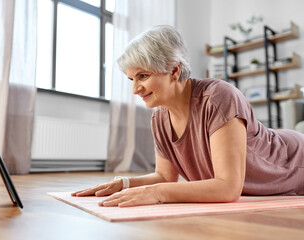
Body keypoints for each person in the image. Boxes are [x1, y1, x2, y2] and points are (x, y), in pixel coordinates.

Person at [72, 25, 304, 207]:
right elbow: (164, 177)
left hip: (295, 161)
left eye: (143, 76)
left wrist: (157, 194)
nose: (135, 89)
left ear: (174, 70)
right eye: (131, 79)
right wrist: (123, 184)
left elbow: (227, 188)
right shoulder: (159, 117)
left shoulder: (218, 97)